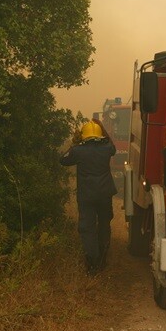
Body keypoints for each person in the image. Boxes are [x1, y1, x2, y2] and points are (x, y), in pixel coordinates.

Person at [60, 118, 117, 275]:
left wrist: (75, 142)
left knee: (88, 228)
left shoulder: (78, 151)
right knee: (104, 225)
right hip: (105, 194)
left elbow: (63, 160)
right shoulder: (107, 148)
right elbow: (113, 147)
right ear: (100, 135)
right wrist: (103, 129)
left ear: (83, 136)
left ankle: (93, 263)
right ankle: (103, 259)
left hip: (87, 196)